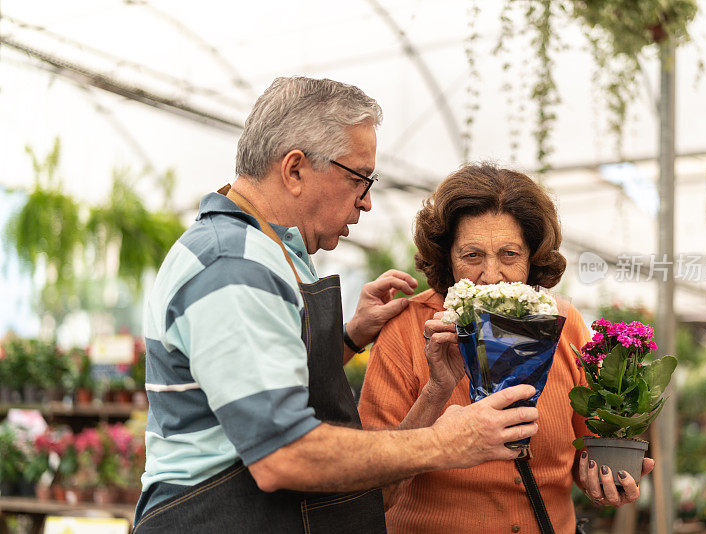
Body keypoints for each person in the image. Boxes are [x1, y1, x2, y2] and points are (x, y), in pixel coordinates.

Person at [132, 78, 541, 534]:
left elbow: (272, 379)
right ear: (294, 170)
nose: (366, 202)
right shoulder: (235, 265)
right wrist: (448, 442)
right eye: (359, 179)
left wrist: (349, 338)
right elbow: (284, 454)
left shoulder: (276, 254)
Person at [359, 163, 655, 533]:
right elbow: (370, 495)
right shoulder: (406, 330)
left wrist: (604, 478)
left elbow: (589, 449)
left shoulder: (563, 324)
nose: (492, 274)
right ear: (447, 258)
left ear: (533, 257)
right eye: (472, 256)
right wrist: (435, 394)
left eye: (510, 254)